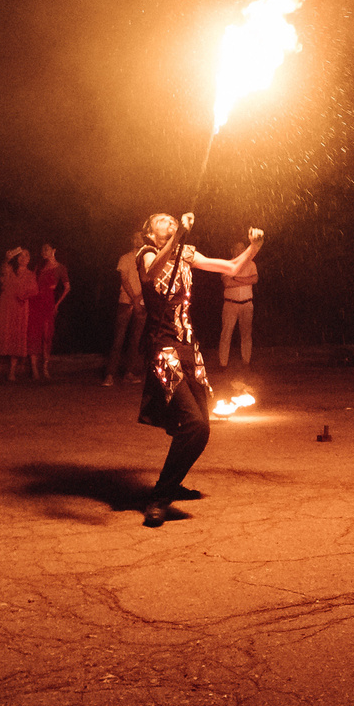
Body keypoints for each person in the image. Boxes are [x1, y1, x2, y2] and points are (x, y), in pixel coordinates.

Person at [131, 212, 263, 527]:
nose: (169, 221)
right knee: (194, 425)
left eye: (171, 219)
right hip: (163, 349)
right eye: (161, 220)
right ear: (150, 233)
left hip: (188, 349)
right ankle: (159, 498)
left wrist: (254, 246)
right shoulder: (146, 254)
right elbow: (151, 274)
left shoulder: (186, 253)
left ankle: (171, 483)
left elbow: (231, 268)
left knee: (200, 430)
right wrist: (179, 236)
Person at [0, 248, 37, 383]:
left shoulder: (30, 274)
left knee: (16, 338)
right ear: (17, 258)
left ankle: (12, 373)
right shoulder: (9, 269)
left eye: (26, 255)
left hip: (20, 308)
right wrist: (6, 259)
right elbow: (1, 274)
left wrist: (24, 295)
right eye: (21, 255)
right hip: (5, 305)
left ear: (29, 259)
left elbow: (34, 290)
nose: (23, 258)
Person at [207, 236, 259, 372]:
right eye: (237, 249)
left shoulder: (251, 264)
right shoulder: (227, 265)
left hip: (247, 303)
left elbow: (255, 279)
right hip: (230, 304)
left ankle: (246, 362)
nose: (239, 251)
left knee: (246, 334)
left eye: (242, 248)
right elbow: (227, 283)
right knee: (226, 333)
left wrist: (236, 279)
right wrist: (245, 280)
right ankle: (223, 364)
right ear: (232, 250)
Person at [104, 234, 147, 386]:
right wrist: (134, 299)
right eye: (135, 238)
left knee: (135, 339)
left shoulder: (147, 259)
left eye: (140, 238)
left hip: (141, 303)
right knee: (119, 339)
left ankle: (129, 372)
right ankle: (110, 374)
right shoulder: (125, 258)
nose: (138, 240)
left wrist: (139, 298)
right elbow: (124, 279)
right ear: (131, 240)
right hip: (125, 302)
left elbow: (148, 281)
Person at [28, 244, 71, 380]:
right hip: (35, 300)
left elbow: (67, 287)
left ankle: (45, 368)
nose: (44, 251)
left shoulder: (60, 268)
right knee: (34, 333)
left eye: (47, 249)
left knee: (47, 335)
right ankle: (34, 369)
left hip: (48, 302)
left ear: (54, 250)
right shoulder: (39, 267)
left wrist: (57, 304)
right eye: (42, 249)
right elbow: (31, 282)